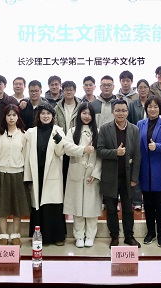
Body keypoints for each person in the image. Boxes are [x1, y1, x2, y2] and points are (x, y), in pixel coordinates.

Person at [97, 99, 141, 247]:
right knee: (111, 209)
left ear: (127, 112)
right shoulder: (105, 128)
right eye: (117, 110)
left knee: (128, 209)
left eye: (123, 110)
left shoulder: (134, 129)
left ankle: (129, 236)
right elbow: (100, 150)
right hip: (110, 176)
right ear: (113, 112)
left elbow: (137, 155)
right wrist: (116, 152)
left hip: (127, 177)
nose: (120, 113)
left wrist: (134, 177)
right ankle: (114, 236)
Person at [24, 103, 66, 245]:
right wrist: (27, 177)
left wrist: (58, 140)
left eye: (48, 114)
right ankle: (40, 237)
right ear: (38, 116)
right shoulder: (31, 132)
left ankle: (57, 237)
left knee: (52, 205)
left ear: (53, 116)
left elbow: (61, 152)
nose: (45, 116)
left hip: (52, 174)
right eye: (43, 113)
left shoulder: (58, 130)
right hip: (37, 174)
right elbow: (26, 155)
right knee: (38, 206)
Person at [0, 104, 29, 246]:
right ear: (4, 117)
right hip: (3, 174)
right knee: (3, 207)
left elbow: (26, 157)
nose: (11, 118)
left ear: (18, 117)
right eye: (8, 115)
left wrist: (26, 177)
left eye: (14, 115)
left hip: (18, 174)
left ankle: (16, 234)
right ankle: (4, 235)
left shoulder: (23, 135)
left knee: (17, 207)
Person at [62, 102, 102, 248]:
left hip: (92, 174)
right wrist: (83, 149)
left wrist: (96, 173)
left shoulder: (98, 132)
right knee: (77, 207)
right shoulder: (72, 131)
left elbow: (101, 156)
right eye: (84, 113)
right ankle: (79, 236)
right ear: (79, 114)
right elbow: (67, 148)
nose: (87, 116)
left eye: (89, 113)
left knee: (92, 207)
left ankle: (90, 235)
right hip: (76, 173)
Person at [137, 96, 161, 247]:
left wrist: (156, 146)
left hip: (160, 170)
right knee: (148, 205)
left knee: (160, 206)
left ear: (160, 108)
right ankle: (150, 232)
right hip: (144, 170)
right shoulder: (140, 124)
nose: (152, 109)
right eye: (150, 106)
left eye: (155, 106)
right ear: (146, 108)